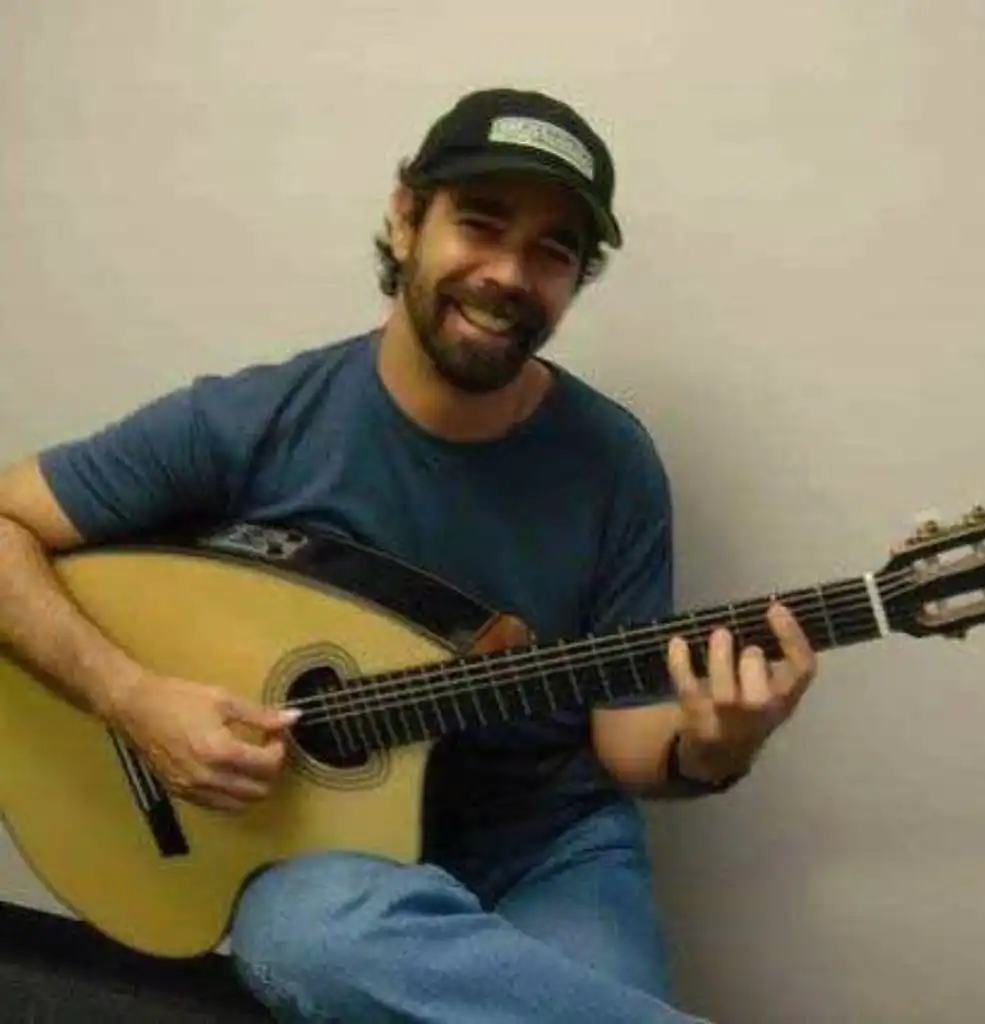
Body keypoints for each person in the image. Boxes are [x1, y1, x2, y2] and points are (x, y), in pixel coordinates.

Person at [0, 87, 818, 1022]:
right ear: (405, 219)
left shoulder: (614, 463)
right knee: (310, 938)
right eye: (481, 224)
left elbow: (630, 742)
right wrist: (136, 701)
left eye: (552, 252)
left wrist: (715, 748)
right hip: (332, 869)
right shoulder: (255, 420)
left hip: (548, 850)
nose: (508, 273)